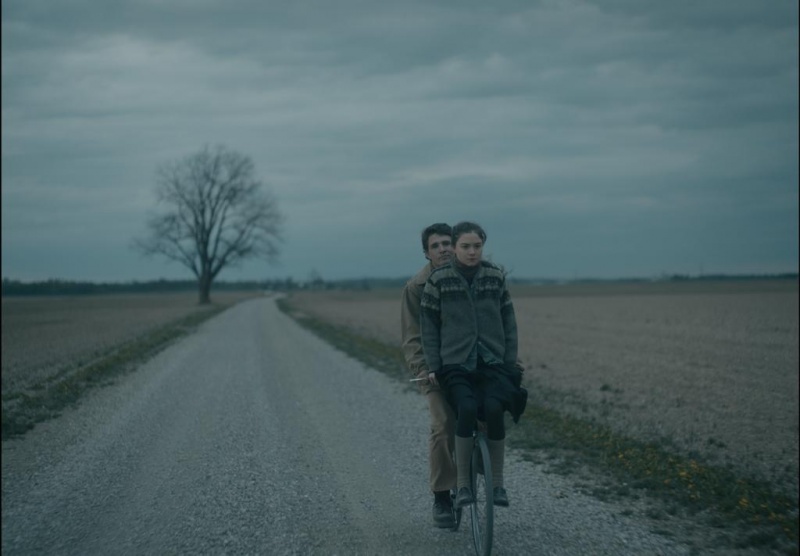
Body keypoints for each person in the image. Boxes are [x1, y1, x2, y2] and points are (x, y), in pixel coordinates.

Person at [420, 221, 527, 509]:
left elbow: (509, 321)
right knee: (466, 409)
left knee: (494, 409)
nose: (472, 252)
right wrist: (433, 365)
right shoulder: (439, 280)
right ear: (455, 247)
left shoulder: (495, 276)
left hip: (492, 363)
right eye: (465, 246)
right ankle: (463, 485)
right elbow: (428, 327)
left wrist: (510, 362)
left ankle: (498, 484)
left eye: (477, 246)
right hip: (455, 364)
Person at [401, 223, 458, 528]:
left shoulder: (470, 278)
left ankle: (483, 475)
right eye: (435, 245)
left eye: (447, 243)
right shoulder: (416, 287)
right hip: (433, 370)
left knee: (486, 415)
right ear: (426, 253)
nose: (443, 249)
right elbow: (411, 337)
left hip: (466, 365)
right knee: (444, 425)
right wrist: (423, 369)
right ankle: (442, 496)